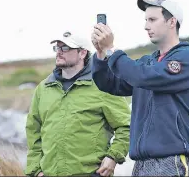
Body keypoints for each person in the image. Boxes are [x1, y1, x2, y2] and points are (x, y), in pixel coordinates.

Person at [90, 0, 189, 176]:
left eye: (152, 19)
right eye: (145, 20)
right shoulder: (148, 62)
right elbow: (110, 83)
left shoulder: (187, 58)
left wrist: (112, 49)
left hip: (171, 160)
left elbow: (143, 76)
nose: (146, 26)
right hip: (142, 162)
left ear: (171, 21)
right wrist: (101, 54)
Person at [25, 31, 131, 176]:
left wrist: (113, 157)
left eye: (66, 48)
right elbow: (33, 132)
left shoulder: (102, 85)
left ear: (82, 53)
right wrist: (35, 170)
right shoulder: (43, 89)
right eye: (58, 48)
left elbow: (127, 126)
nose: (59, 52)